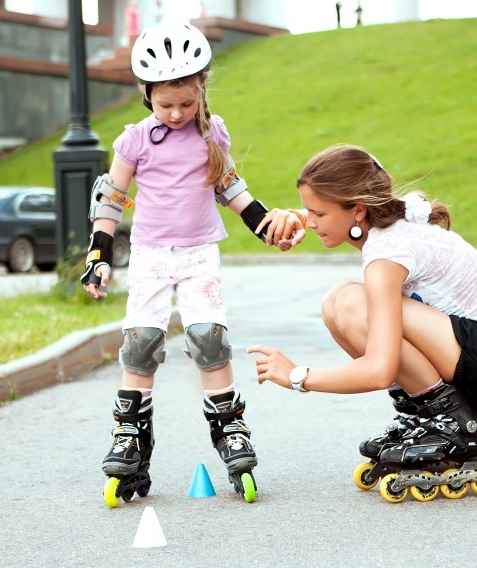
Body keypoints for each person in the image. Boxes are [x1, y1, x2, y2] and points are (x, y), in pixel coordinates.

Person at [81, 22, 303, 505]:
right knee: (141, 343)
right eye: (166, 105)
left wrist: (265, 224)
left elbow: (230, 188)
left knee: (208, 337)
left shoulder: (211, 132)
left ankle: (230, 429)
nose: (178, 113)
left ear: (201, 88)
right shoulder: (135, 140)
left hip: (199, 252)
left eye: (187, 102)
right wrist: (99, 254)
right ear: (146, 94)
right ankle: (129, 439)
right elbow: (112, 198)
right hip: (151, 257)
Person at [248, 144, 477, 498]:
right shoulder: (385, 224)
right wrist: (298, 214)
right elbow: (344, 221)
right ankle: (425, 415)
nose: (310, 222)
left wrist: (297, 376)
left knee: (355, 303)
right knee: (337, 302)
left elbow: (379, 370)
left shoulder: (387, 252)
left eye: (317, 214)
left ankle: (453, 425)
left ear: (357, 209)